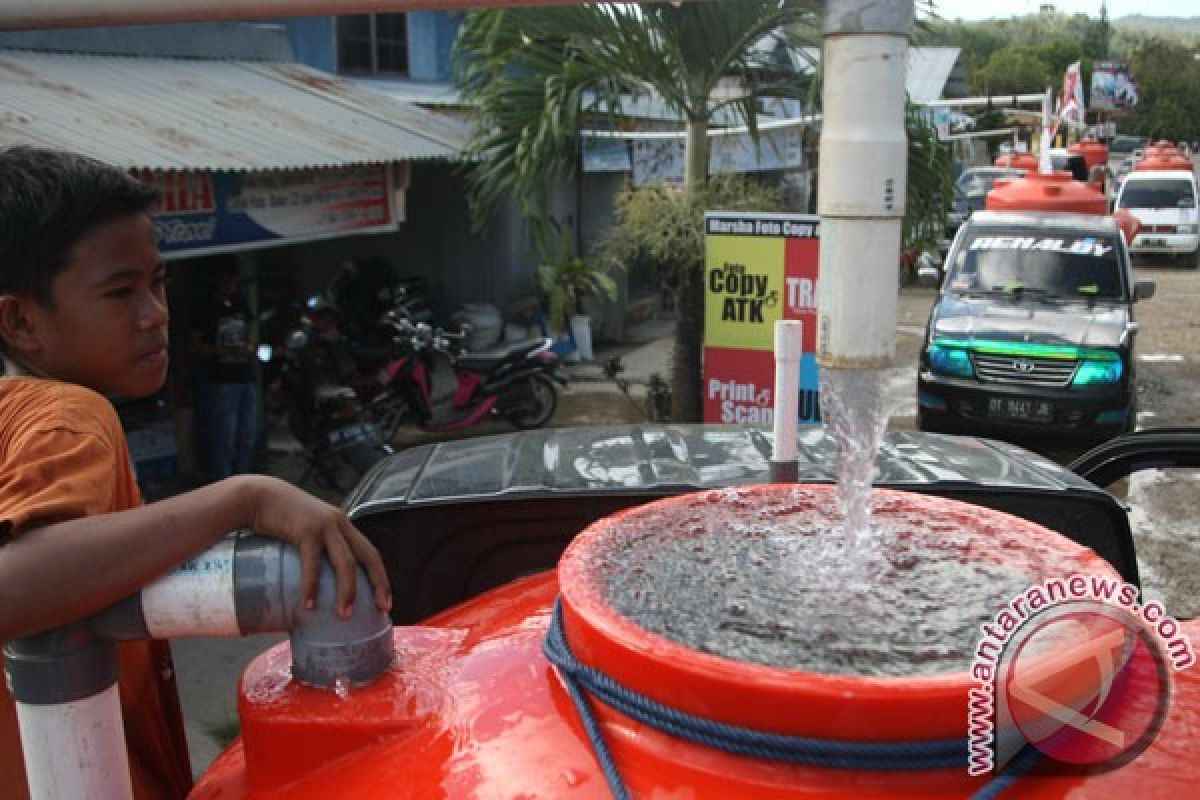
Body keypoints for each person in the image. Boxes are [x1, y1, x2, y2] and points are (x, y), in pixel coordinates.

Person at [0, 146, 392, 799]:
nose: (155, 314)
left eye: (157, 283)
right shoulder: (65, 416)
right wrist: (241, 498)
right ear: (19, 320)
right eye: (120, 292)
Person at [191, 256, 257, 480]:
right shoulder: (206, 306)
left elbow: (251, 330)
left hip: (245, 375)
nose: (230, 285)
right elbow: (196, 343)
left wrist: (248, 347)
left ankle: (243, 477)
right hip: (222, 379)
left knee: (247, 433)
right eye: (226, 280)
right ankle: (225, 480)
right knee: (224, 435)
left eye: (234, 280)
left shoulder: (240, 301)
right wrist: (223, 352)